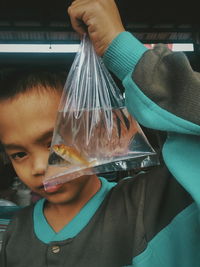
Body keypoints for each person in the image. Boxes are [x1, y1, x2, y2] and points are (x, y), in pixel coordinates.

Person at [0, 0, 200, 266]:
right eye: (19, 154)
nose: (38, 167)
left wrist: (122, 50)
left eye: (52, 142)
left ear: (93, 131)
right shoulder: (17, 230)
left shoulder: (150, 204)